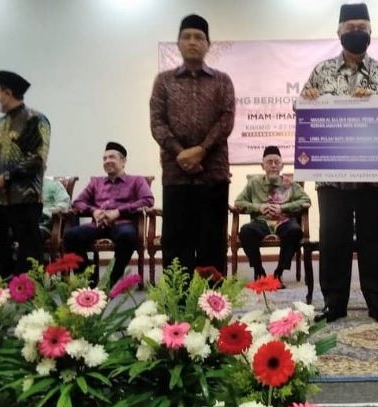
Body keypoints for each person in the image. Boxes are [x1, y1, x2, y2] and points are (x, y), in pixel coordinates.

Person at [300, 3, 378, 324]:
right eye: (350, 28)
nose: (356, 32)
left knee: (375, 241)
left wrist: (375, 104)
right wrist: (307, 101)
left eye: (362, 28)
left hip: (375, 175)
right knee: (333, 241)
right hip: (332, 176)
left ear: (370, 31)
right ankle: (334, 303)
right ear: (339, 32)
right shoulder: (321, 72)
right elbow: (301, 111)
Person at [150, 14, 235, 276]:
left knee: (213, 244)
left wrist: (201, 150)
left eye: (199, 37)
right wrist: (181, 153)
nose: (192, 42)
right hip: (176, 176)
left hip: (213, 175)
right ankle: (178, 300)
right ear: (178, 43)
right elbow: (157, 122)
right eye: (186, 36)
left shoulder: (222, 81)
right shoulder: (164, 81)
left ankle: (213, 299)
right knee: (177, 245)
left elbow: (226, 119)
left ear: (208, 44)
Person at [0, 70, 50, 277]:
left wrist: (6, 178)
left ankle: (27, 294)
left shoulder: (36, 120)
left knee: (29, 255)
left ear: (7, 93)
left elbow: (37, 158)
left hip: (24, 198)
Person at [63, 142, 154, 285]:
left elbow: (148, 200)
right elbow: (78, 202)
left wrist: (118, 212)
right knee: (70, 236)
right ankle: (89, 282)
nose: (107, 161)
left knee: (128, 236)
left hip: (123, 223)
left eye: (111, 157)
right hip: (98, 224)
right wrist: (94, 211)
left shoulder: (137, 181)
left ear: (123, 161)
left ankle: (110, 282)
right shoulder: (96, 182)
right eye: (104, 158)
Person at [234, 146, 311, 286]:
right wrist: (259, 207)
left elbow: (306, 200)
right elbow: (238, 202)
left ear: (282, 166)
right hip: (261, 222)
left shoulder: (290, 183)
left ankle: (279, 272)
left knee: (295, 231)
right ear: (262, 165)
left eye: (277, 162)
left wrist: (282, 207)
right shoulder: (254, 183)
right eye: (269, 162)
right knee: (246, 231)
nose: (273, 166)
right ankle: (259, 270)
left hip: (284, 221)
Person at [39, 176, 71, 241]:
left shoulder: (53, 184)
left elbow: (64, 205)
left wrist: (45, 212)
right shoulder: (19, 188)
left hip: (43, 225)